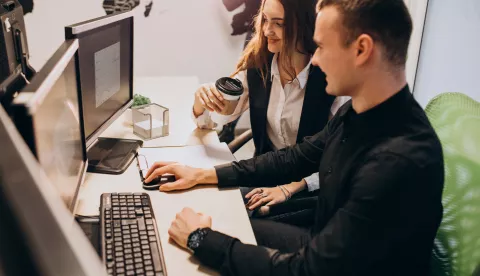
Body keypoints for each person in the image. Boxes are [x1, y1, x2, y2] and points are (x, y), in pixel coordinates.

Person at [146, 0, 445, 274]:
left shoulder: (397, 163)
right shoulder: (358, 112)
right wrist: (203, 174)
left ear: (361, 50)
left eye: (322, 47)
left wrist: (201, 239)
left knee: (210, 240)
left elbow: (306, 271)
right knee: (221, 217)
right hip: (323, 235)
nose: (314, 61)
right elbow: (295, 158)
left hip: (325, 259)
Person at [192, 0, 349, 211]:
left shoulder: (330, 80)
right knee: (208, 201)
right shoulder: (258, 66)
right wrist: (200, 104)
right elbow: (215, 122)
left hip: (309, 190)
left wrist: (292, 187)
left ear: (303, 25)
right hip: (265, 177)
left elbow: (340, 162)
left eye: (279, 24)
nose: (267, 30)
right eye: (265, 20)